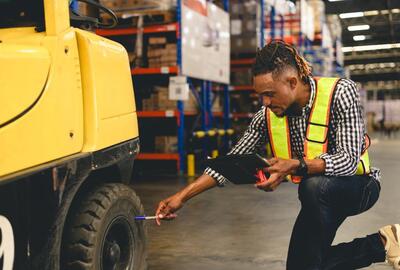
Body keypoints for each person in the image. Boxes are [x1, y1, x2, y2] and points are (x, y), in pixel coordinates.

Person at [155, 40, 400, 270]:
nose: (265, 102)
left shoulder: (340, 92)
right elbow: (232, 161)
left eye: (270, 94)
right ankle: (384, 243)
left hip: (358, 187)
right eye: (260, 95)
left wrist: (293, 166)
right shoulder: (267, 115)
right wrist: (182, 197)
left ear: (292, 82)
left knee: (312, 187)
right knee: (302, 266)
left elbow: (347, 161)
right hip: (317, 197)